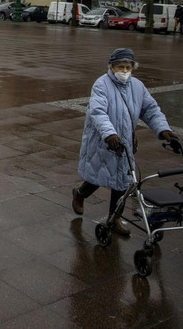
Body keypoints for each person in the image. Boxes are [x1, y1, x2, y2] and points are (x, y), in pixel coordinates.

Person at [72, 48, 177, 236]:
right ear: (111, 67)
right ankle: (80, 194)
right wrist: (109, 134)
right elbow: (98, 111)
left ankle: (114, 218)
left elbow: (151, 110)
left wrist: (164, 130)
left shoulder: (137, 86)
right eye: (121, 67)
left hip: (125, 142)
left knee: (122, 181)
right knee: (99, 174)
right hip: (104, 140)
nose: (125, 71)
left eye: (128, 67)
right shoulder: (101, 84)